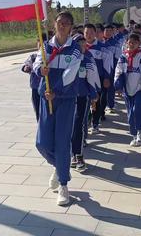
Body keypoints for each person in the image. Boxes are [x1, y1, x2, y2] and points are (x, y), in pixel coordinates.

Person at [34, 11, 82, 206]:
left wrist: (57, 90)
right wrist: (41, 69)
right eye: (59, 22)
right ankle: (59, 166)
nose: (62, 26)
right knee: (42, 143)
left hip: (65, 99)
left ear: (71, 27)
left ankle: (63, 185)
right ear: (54, 24)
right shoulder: (46, 47)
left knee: (62, 142)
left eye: (66, 23)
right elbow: (37, 62)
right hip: (46, 98)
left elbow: (71, 75)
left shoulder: (75, 50)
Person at [114, 32, 141, 146]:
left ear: (139, 43)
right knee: (130, 113)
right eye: (130, 42)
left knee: (137, 109)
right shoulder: (123, 57)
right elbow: (118, 71)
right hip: (127, 88)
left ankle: (140, 133)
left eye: (134, 42)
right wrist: (118, 86)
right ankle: (134, 135)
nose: (132, 44)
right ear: (126, 43)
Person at [71, 34, 100, 172]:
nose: (82, 47)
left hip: (83, 97)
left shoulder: (87, 59)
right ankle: (72, 154)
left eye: (83, 44)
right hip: (68, 98)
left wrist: (94, 94)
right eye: (78, 44)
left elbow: (92, 78)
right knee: (69, 126)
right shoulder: (68, 59)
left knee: (79, 125)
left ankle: (79, 155)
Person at [84, 23, 113, 133]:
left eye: (91, 33)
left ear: (95, 33)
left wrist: (106, 78)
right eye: (86, 33)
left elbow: (107, 64)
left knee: (96, 101)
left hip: (98, 79)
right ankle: (86, 122)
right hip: (83, 80)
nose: (89, 35)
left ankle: (95, 124)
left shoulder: (102, 48)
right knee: (85, 102)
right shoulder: (80, 47)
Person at [21, 33, 48, 121]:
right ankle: (39, 122)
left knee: (46, 109)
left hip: (46, 88)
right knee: (37, 107)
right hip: (35, 88)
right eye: (39, 42)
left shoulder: (49, 56)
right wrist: (26, 68)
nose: (40, 44)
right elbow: (25, 65)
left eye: (43, 42)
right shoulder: (33, 57)